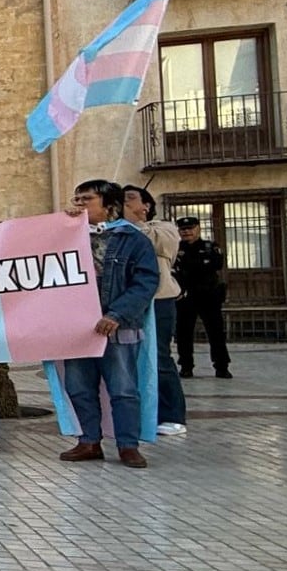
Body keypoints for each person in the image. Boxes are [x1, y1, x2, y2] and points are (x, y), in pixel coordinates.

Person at [58, 179, 160, 469]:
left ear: (110, 207)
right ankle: (89, 441)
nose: (78, 205)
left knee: (124, 388)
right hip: (77, 329)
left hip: (117, 326)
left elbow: (145, 282)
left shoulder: (133, 239)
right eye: (76, 199)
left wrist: (116, 314)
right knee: (78, 386)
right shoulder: (63, 235)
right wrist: (4, 233)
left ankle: (128, 445)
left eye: (86, 200)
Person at [122, 185, 184, 437]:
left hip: (158, 301)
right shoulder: (116, 230)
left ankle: (173, 415)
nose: (123, 203)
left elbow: (154, 243)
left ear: (145, 206)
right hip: (128, 302)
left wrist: (127, 221)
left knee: (159, 357)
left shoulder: (164, 228)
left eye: (129, 200)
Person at [174, 215, 231, 380]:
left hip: (208, 297)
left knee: (216, 333)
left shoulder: (210, 247)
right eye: (183, 229)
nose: (187, 232)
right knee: (184, 333)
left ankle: (221, 366)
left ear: (198, 229)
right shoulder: (176, 248)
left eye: (190, 229)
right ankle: (186, 366)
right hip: (186, 297)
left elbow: (217, 264)